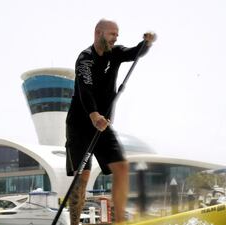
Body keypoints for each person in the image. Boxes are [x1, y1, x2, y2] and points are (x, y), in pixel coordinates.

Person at [65, 18, 156, 224]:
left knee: (121, 167)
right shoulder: (85, 59)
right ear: (98, 33)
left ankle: (119, 222)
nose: (116, 38)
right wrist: (94, 115)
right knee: (83, 177)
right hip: (80, 126)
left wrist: (147, 43)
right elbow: (84, 88)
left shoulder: (115, 53)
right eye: (112, 34)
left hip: (103, 124)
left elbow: (135, 53)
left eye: (117, 34)